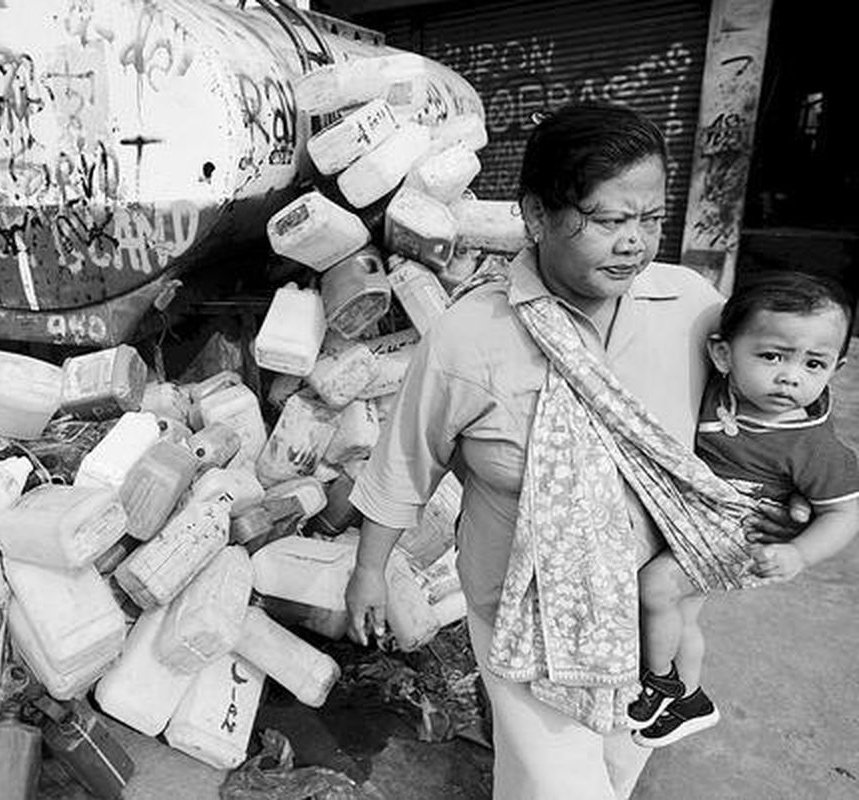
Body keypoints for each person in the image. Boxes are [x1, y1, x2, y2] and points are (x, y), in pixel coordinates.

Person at [344, 101, 805, 800]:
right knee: (563, 788)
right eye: (609, 220)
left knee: (616, 768)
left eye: (650, 219)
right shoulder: (470, 335)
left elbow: (770, 410)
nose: (635, 243)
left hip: (651, 614)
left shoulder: (691, 307)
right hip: (525, 618)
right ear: (536, 214)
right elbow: (406, 462)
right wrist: (369, 571)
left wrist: (796, 499)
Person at [629, 272, 859, 747]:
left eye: (814, 364)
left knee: (656, 587)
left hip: (743, 533)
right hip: (699, 520)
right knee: (682, 616)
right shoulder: (719, 392)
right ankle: (690, 699)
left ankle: (659, 681)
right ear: (722, 355)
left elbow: (845, 513)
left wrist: (800, 553)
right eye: (772, 356)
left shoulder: (813, 446)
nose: (791, 376)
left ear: (836, 368)